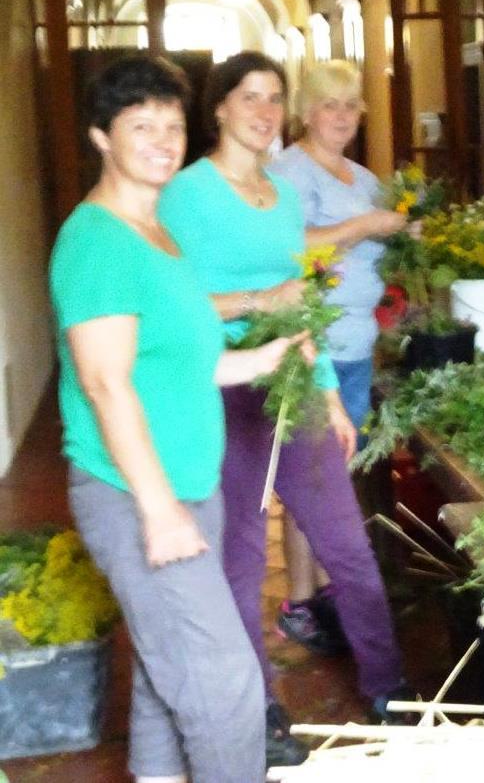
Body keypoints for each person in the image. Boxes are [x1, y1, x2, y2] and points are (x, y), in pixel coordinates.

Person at [49, 55, 313, 782]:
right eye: (141, 126)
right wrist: (160, 510)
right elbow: (106, 385)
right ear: (101, 136)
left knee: (165, 675)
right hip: (136, 494)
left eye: (171, 125)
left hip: (190, 483)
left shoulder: (158, 235)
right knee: (226, 685)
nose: (162, 140)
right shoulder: (97, 241)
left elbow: (183, 362)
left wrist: (266, 357)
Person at [158, 52, 412, 769]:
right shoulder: (186, 195)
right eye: (249, 96)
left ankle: (390, 687)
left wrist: (329, 392)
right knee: (240, 553)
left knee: (348, 544)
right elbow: (172, 305)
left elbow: (304, 305)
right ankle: (260, 706)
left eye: (274, 97)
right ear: (218, 107)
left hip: (296, 384)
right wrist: (254, 303)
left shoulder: (283, 195)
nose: (264, 111)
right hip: (226, 388)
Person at [270, 60, 415, 656]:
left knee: (335, 473)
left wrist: (404, 245)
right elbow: (287, 244)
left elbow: (379, 259)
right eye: (329, 104)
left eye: (351, 105)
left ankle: (324, 592)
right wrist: (364, 225)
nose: (341, 115)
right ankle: (301, 601)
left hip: (356, 346)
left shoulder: (363, 177)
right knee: (312, 476)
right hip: (313, 346)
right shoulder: (288, 172)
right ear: (307, 112)